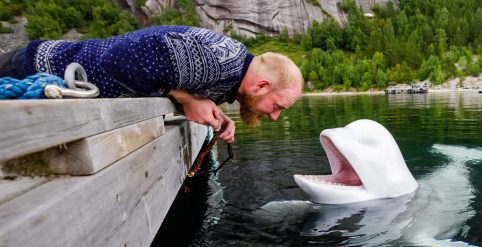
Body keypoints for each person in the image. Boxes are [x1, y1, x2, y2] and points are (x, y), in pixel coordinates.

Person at [0, 25, 303, 143]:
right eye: (277, 106)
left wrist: (214, 112)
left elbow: (172, 71)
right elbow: (118, 59)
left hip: (49, 76)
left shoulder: (230, 67)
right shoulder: (217, 61)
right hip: (35, 70)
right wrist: (186, 99)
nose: (275, 115)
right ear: (262, 86)